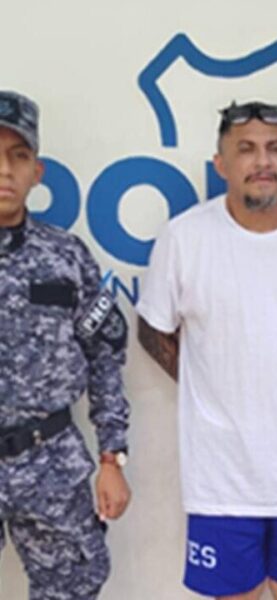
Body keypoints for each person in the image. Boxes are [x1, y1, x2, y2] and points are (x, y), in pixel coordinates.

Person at [136, 100, 277, 600]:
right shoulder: (185, 236)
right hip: (221, 475)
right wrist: (212, 382)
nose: (262, 161)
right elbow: (152, 329)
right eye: (246, 149)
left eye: (275, 148)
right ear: (221, 164)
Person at [0, 90, 131, 599]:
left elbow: (104, 356)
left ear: (37, 172)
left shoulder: (66, 257)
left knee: (73, 589)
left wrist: (112, 458)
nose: (5, 170)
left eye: (18, 156)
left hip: (50, 463)